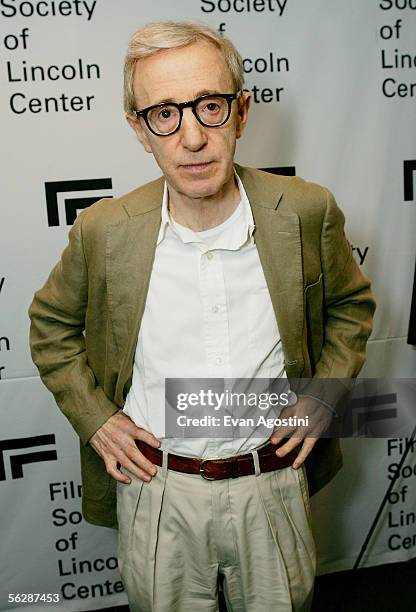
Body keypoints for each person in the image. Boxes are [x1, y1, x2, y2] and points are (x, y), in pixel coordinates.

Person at [29, 21, 375, 612]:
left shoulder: (307, 211)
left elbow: (351, 306)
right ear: (140, 130)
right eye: (164, 113)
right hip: (157, 494)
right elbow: (50, 328)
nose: (191, 137)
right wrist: (96, 417)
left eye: (209, 106)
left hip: (271, 488)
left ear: (240, 113)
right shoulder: (104, 229)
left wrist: (323, 396)